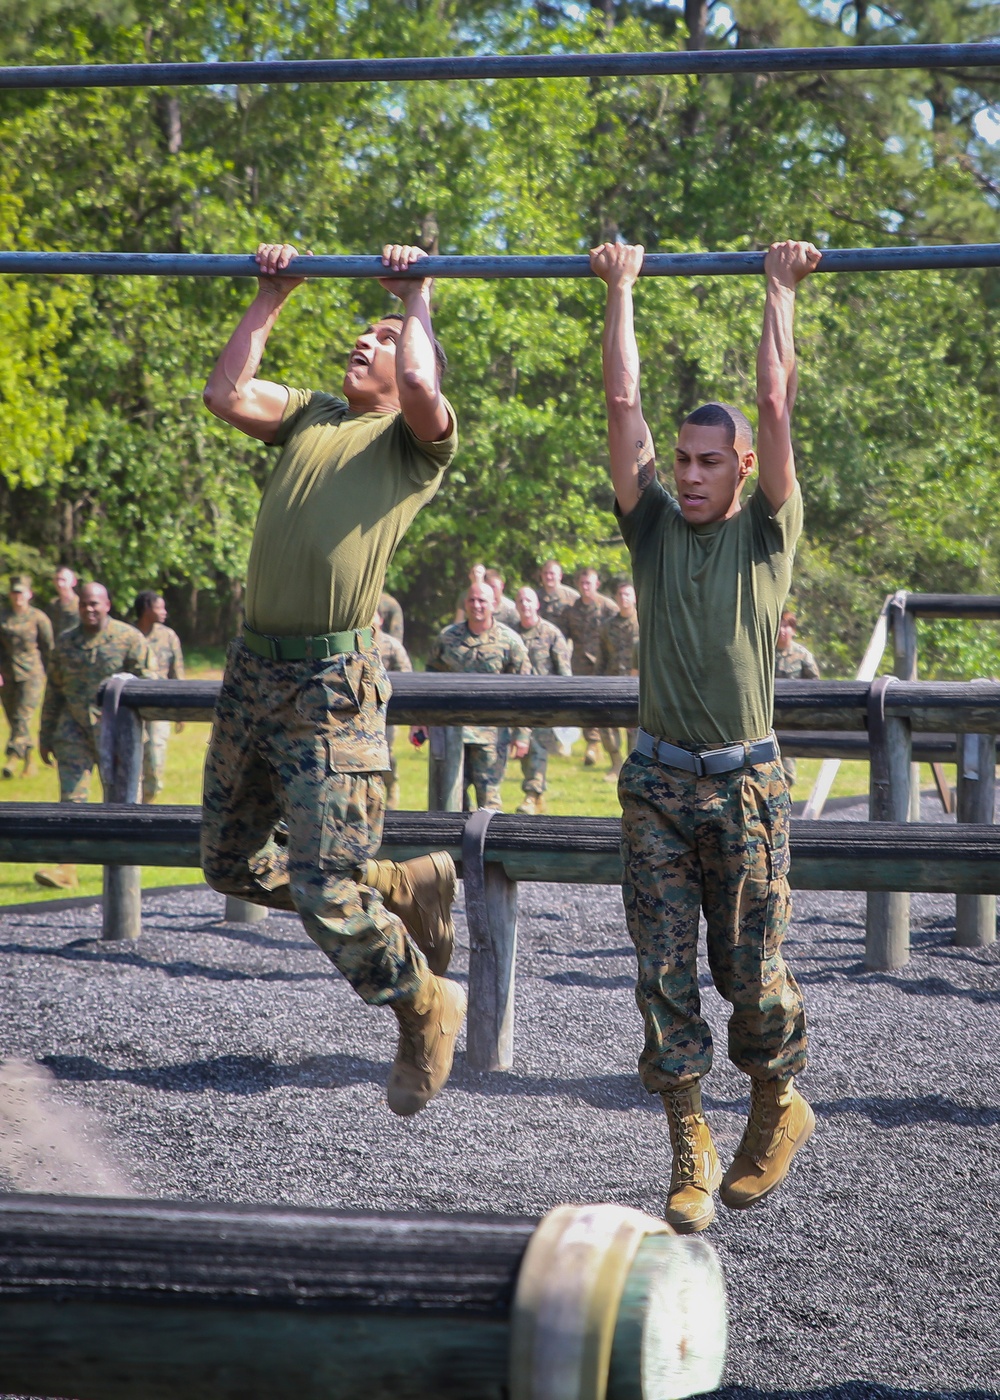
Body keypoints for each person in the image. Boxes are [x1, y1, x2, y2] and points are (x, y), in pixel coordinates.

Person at [200, 239, 465, 1118]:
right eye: (360, 331)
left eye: (383, 337)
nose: (365, 340)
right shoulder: (312, 415)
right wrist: (272, 297)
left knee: (320, 888)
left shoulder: (410, 446)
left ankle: (422, 1001)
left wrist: (416, 296)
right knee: (228, 863)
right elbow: (226, 394)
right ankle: (396, 885)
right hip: (252, 676)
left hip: (328, 687)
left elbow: (426, 391)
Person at [591, 236, 820, 1233]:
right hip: (654, 780)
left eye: (706, 461)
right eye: (680, 459)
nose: (687, 474)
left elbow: (775, 408)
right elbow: (619, 410)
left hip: (745, 786)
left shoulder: (764, 527)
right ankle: (688, 1137)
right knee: (661, 972)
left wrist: (777, 291)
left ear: (740, 469)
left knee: (750, 977)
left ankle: (776, 1095)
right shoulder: (648, 526)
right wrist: (621, 291)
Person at [35, 582, 154, 889]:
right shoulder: (65, 642)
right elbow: (54, 691)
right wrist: (45, 733)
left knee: (120, 800)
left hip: (116, 733)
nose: (89, 609)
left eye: (95, 604)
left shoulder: (129, 639)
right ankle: (67, 866)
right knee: (72, 798)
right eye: (84, 604)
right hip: (72, 730)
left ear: (107, 605)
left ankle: (123, 867)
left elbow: (149, 685)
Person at [421, 581, 531, 810]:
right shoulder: (448, 638)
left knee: (489, 799)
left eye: (482, 600)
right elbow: (429, 679)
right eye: (472, 600)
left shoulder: (510, 641)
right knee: (450, 796)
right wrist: (423, 718)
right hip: (453, 732)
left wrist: (522, 734)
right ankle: (452, 844)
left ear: (494, 604)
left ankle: (489, 844)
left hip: (491, 734)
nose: (477, 605)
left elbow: (525, 690)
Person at [513, 586, 572, 815]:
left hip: (542, 702)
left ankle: (531, 795)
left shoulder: (551, 632)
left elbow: (564, 671)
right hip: (517, 703)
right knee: (524, 753)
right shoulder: (510, 633)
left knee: (536, 748)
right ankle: (538, 797)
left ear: (536, 605)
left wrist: (563, 703)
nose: (525, 604)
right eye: (520, 601)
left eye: (529, 600)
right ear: (516, 606)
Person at [563, 567, 618, 768]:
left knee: (606, 705)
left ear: (597, 584)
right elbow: (562, 636)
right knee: (586, 705)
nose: (586, 587)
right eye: (582, 583)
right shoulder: (571, 610)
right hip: (580, 664)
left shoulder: (608, 607)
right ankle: (592, 744)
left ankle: (613, 749)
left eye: (590, 583)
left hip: (605, 664)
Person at [134, 590, 186, 803]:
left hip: (159, 709)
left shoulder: (168, 636)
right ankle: (132, 811)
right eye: (160, 607)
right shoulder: (127, 634)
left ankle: (148, 802)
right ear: (147, 609)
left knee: (154, 765)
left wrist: (181, 709)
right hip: (131, 710)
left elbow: (177, 673)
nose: (164, 612)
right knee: (131, 766)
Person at [0, 575, 53, 779]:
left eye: (21, 592)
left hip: (32, 674)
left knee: (22, 717)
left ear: (29, 594)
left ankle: (13, 758)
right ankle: (29, 761)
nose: (17, 596)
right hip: (7, 674)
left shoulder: (38, 617)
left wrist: (54, 676)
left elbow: (49, 647)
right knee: (14, 720)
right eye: (14, 592)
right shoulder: (3, 616)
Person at [597, 579, 640, 778]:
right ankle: (615, 764)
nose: (623, 598)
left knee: (635, 726)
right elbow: (602, 657)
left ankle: (631, 766)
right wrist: (596, 682)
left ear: (635, 597)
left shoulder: (643, 623)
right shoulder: (607, 626)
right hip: (612, 681)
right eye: (620, 595)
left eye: (627, 594)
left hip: (636, 683)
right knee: (608, 724)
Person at [774, 610, 821, 787]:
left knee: (786, 767)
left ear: (793, 630)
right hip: (768, 717)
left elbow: (816, 685)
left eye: (786, 626)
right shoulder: (764, 653)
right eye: (779, 626)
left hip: (792, 718)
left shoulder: (802, 655)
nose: (782, 630)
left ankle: (785, 791)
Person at [374, 606, 412, 808]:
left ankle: (392, 786)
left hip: (387, 710)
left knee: (385, 751)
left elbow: (406, 676)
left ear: (380, 619)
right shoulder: (356, 643)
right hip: (360, 711)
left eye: (373, 615)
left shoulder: (391, 645)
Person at [537, 559, 579, 632]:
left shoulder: (573, 597)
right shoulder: (534, 597)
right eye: (545, 573)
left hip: (564, 641)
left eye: (552, 573)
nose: (548, 577)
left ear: (560, 576)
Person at [46, 565, 80, 637]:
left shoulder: (81, 606)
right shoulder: (52, 606)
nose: (60, 584)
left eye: (63, 580)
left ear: (74, 582)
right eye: (57, 579)